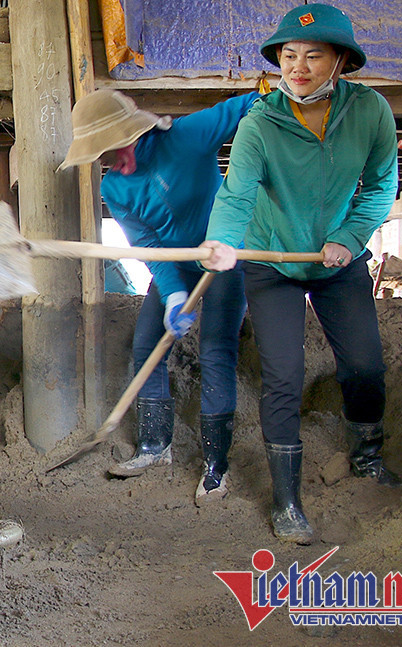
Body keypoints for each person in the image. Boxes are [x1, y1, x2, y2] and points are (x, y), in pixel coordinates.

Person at [200, 3, 402, 545]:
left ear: (340, 61)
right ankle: (287, 500)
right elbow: (237, 193)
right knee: (284, 376)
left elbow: (382, 185)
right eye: (289, 55)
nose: (299, 67)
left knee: (364, 367)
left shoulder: (370, 112)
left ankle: (367, 455)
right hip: (274, 264)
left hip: (339, 263)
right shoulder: (259, 125)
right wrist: (222, 241)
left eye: (314, 55)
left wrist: (350, 238)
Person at [62, 88, 258, 505]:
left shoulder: (186, 137)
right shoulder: (115, 189)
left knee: (216, 351)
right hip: (175, 265)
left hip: (223, 258)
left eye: (112, 150)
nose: (110, 162)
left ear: (132, 133)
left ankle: (215, 467)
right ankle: (154, 447)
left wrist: (266, 147)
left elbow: (249, 105)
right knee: (146, 345)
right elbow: (149, 246)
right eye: (102, 157)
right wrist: (172, 295)